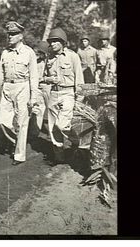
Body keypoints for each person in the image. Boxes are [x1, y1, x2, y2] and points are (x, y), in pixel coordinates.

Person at [0, 21, 39, 166]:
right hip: (7, 87)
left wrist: (33, 96)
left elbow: (34, 77)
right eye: (9, 34)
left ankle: (19, 154)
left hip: (23, 87)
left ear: (20, 36)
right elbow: (0, 74)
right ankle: (17, 140)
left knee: (22, 122)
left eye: (13, 34)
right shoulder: (5, 53)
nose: (10, 37)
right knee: (2, 120)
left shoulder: (29, 52)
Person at [44, 28, 84, 164]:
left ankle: (78, 142)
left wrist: (79, 98)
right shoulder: (48, 57)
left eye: (55, 41)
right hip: (54, 93)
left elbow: (79, 79)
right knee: (53, 127)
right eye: (51, 42)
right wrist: (50, 79)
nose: (52, 44)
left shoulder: (73, 56)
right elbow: (44, 76)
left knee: (62, 125)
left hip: (68, 93)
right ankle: (59, 157)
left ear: (62, 42)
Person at [30, 40, 51, 135]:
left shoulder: (51, 62)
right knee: (37, 110)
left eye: (42, 53)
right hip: (38, 87)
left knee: (52, 110)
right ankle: (34, 133)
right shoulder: (36, 62)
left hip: (48, 87)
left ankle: (53, 133)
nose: (40, 54)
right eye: (39, 52)